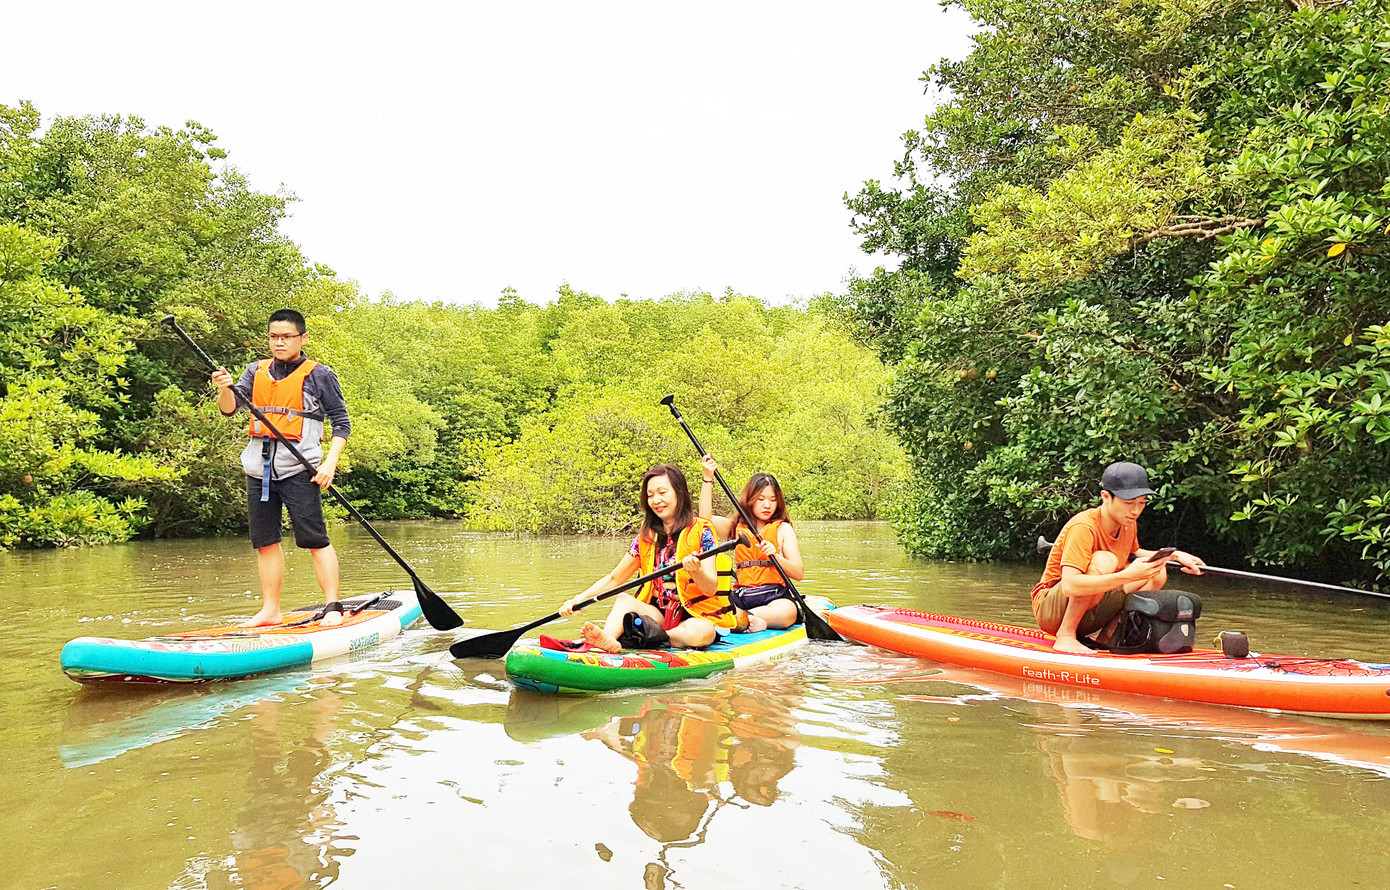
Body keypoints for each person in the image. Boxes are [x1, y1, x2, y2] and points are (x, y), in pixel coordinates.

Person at [211, 309, 351, 627]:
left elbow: (342, 424)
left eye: (286, 336)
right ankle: (270, 609)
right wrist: (224, 388)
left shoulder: (320, 375)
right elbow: (229, 409)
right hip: (258, 472)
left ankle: (333, 606)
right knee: (266, 542)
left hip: (301, 470)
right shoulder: (255, 370)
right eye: (274, 336)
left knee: (315, 539)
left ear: (302, 338)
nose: (279, 342)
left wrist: (329, 463)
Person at [559, 464, 738, 652]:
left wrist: (697, 570)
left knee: (703, 632)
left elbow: (710, 588)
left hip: (694, 615)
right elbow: (615, 578)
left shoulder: (703, 530)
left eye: (662, 492)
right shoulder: (647, 535)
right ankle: (609, 640)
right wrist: (578, 599)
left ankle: (647, 637)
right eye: (650, 495)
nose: (656, 500)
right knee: (623, 600)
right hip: (657, 614)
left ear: (680, 493)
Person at [1032, 462, 1204, 654]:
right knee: (1105, 560)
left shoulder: (1128, 524)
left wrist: (1175, 555)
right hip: (1052, 612)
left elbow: (1137, 551)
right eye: (1129, 503)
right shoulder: (1083, 527)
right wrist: (1128, 575)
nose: (1135, 511)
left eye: (1142, 503)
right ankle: (1066, 636)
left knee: (1155, 571)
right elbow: (1070, 585)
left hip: (1092, 608)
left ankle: (1109, 638)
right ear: (1106, 497)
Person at [697, 454, 804, 632]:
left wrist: (776, 556)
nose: (767, 505)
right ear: (750, 500)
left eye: (772, 499)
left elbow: (798, 573)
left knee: (787, 612)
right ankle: (746, 618)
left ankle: (748, 619)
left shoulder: (783, 529)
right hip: (743, 596)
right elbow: (704, 520)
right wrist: (708, 479)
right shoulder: (736, 528)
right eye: (761, 499)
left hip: (774, 597)